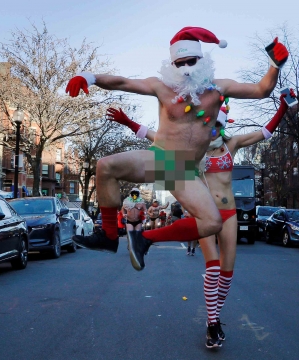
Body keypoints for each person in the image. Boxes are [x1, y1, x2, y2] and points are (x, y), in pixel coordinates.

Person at [67, 27, 287, 276]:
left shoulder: (218, 88)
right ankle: (107, 236)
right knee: (105, 166)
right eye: (179, 63)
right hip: (160, 158)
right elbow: (123, 82)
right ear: (172, 64)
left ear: (201, 60)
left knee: (212, 222)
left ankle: (145, 239)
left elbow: (261, 90)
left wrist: (274, 64)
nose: (186, 69)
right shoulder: (162, 87)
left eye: (191, 61)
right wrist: (90, 77)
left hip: (183, 170)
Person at [104, 90, 291, 348]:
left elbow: (264, 133)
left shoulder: (232, 145)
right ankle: (212, 325)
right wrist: (128, 123)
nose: (213, 131)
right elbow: (157, 139)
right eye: (209, 126)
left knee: (227, 273)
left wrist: (282, 107)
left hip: (229, 213)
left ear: (221, 126)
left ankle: (213, 318)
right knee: (213, 269)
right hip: (203, 214)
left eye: (217, 126)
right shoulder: (194, 150)